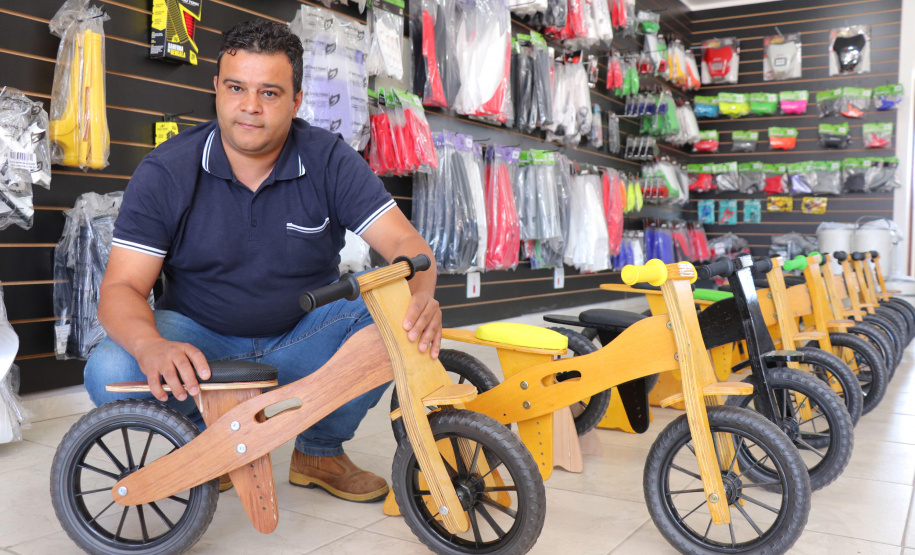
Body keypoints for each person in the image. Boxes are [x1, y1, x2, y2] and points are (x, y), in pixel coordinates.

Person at [83, 20, 442, 503]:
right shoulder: (166, 169)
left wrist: (421, 301)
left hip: (302, 338)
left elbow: (407, 244)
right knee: (108, 367)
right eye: (236, 88)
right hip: (199, 345)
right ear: (216, 88)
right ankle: (210, 448)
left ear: (296, 102)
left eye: (270, 93)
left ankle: (319, 451)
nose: (250, 106)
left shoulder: (330, 159)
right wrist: (151, 346)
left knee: (400, 322)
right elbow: (121, 287)